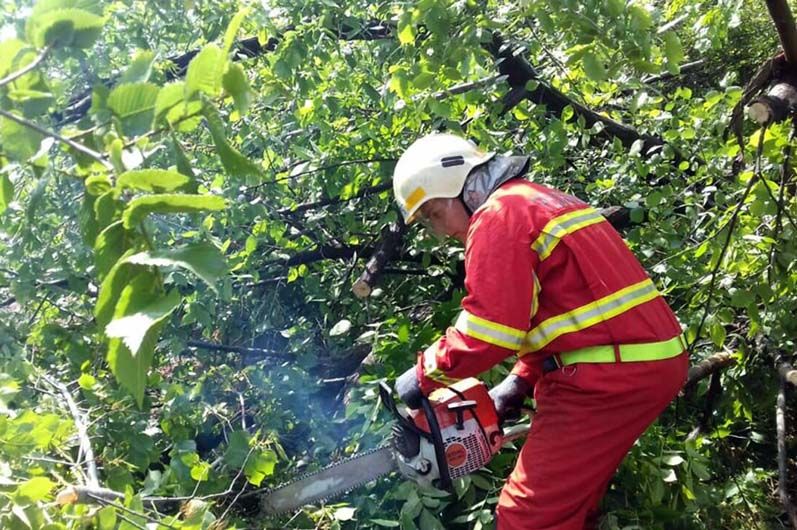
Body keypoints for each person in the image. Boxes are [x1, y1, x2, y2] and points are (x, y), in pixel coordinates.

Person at [391, 133, 689, 530]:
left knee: (526, 517)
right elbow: (559, 313)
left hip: (608, 376)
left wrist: (425, 372)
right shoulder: (538, 199)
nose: (441, 231)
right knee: (569, 504)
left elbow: (489, 332)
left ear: (456, 187)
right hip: (640, 360)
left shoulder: (498, 217)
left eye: (433, 214)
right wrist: (519, 382)